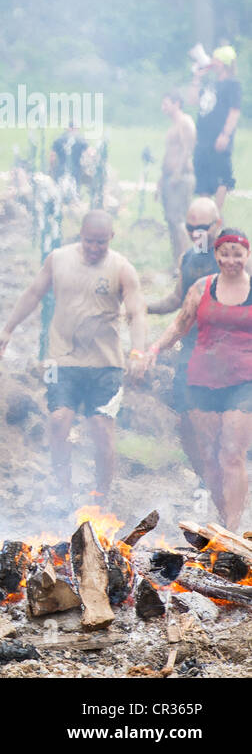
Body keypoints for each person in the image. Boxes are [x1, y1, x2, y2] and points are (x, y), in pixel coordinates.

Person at [0, 210, 148, 508]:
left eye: (100, 243)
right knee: (58, 421)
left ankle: (101, 497)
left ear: (111, 239)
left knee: (101, 430)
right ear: (80, 235)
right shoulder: (58, 259)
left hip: (106, 364)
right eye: (89, 241)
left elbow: (136, 311)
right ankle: (63, 490)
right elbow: (33, 293)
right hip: (62, 360)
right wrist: (7, 329)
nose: (93, 249)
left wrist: (138, 351)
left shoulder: (122, 268)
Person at [145, 228, 252, 528]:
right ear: (216, 255)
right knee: (210, 457)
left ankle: (232, 527)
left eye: (238, 253)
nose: (231, 260)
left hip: (244, 381)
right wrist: (154, 348)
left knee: (232, 452)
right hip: (203, 378)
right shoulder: (201, 288)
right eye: (225, 253)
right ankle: (222, 521)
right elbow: (180, 326)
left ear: (248, 255)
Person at [148, 196, 221, 486]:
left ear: (217, 223)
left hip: (230, 351)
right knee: (187, 418)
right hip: (193, 348)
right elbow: (178, 300)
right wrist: (145, 307)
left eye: (201, 227)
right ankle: (206, 476)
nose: (195, 234)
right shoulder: (188, 258)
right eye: (190, 227)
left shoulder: (234, 256)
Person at [193, 45, 241, 210]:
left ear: (223, 63)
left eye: (215, 60)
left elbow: (234, 111)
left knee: (221, 177)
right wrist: (197, 78)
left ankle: (216, 214)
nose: (212, 63)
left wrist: (225, 135)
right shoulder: (210, 84)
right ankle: (205, 213)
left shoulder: (233, 85)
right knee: (203, 179)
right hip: (203, 138)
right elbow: (193, 101)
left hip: (218, 137)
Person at [158, 92, 197, 261]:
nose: (163, 108)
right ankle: (177, 261)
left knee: (179, 221)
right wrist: (161, 180)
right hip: (169, 178)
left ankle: (185, 261)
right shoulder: (173, 125)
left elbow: (188, 149)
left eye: (166, 104)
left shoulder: (185, 122)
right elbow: (169, 154)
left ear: (177, 103)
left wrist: (177, 173)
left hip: (180, 178)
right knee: (171, 222)